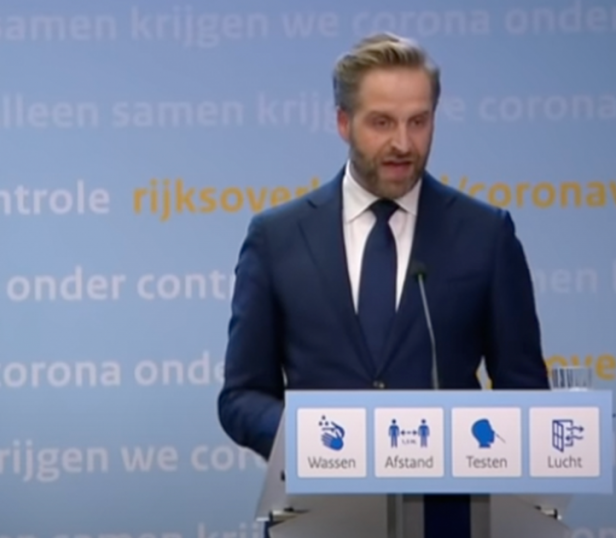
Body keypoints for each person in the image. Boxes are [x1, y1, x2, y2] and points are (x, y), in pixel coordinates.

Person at [217, 33, 548, 538]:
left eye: (419, 121)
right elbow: (242, 395)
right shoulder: (277, 237)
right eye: (382, 122)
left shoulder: (486, 234)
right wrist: (306, 440)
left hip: (449, 521)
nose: (403, 144)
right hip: (318, 520)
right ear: (343, 122)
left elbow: (524, 392)